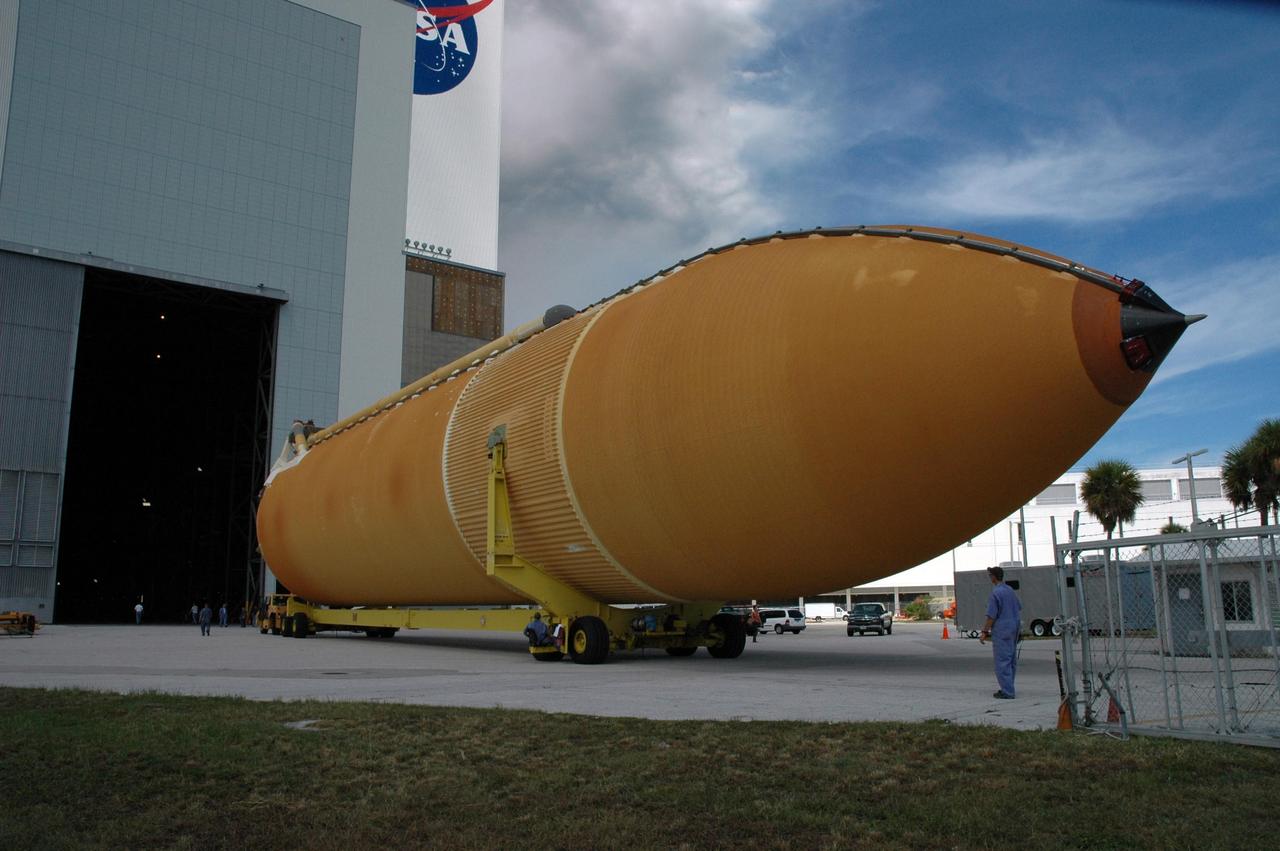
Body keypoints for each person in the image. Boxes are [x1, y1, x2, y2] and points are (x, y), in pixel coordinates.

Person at [979, 566, 1022, 699]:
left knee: (1002, 661)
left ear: (993, 577)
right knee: (1011, 660)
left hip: (1002, 630)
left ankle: (1007, 691)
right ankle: (1009, 686)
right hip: (1014, 628)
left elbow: (991, 616)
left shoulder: (996, 593)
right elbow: (1019, 607)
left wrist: (984, 631)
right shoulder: (1010, 590)